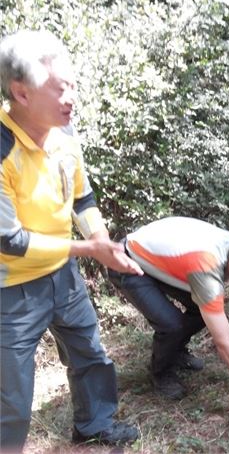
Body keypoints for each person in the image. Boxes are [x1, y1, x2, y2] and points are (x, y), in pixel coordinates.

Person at [0, 30, 142, 450]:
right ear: (21, 93)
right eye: (59, 89)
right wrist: (89, 250)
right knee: (13, 394)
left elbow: (81, 197)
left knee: (90, 355)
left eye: (73, 86)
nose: (70, 98)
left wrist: (103, 243)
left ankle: (94, 424)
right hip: (12, 288)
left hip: (65, 274)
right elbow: (9, 239)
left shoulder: (65, 134)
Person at [107, 217, 229, 402]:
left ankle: (175, 351)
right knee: (171, 324)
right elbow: (223, 342)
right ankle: (161, 373)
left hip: (159, 260)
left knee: (202, 311)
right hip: (126, 263)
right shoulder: (208, 268)